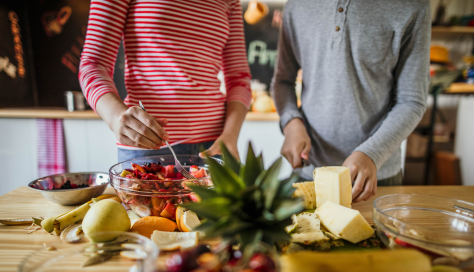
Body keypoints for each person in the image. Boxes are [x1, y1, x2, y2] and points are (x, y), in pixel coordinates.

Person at [272, 0, 430, 202]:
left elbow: (412, 100)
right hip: (308, 171)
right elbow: (283, 81)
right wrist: (291, 123)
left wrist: (371, 153)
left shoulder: (414, 6)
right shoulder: (297, 5)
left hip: (376, 177)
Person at [79, 0, 251, 162]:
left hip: (216, 146)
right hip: (147, 144)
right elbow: (93, 64)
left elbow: (239, 79)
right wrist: (116, 117)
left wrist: (230, 136)